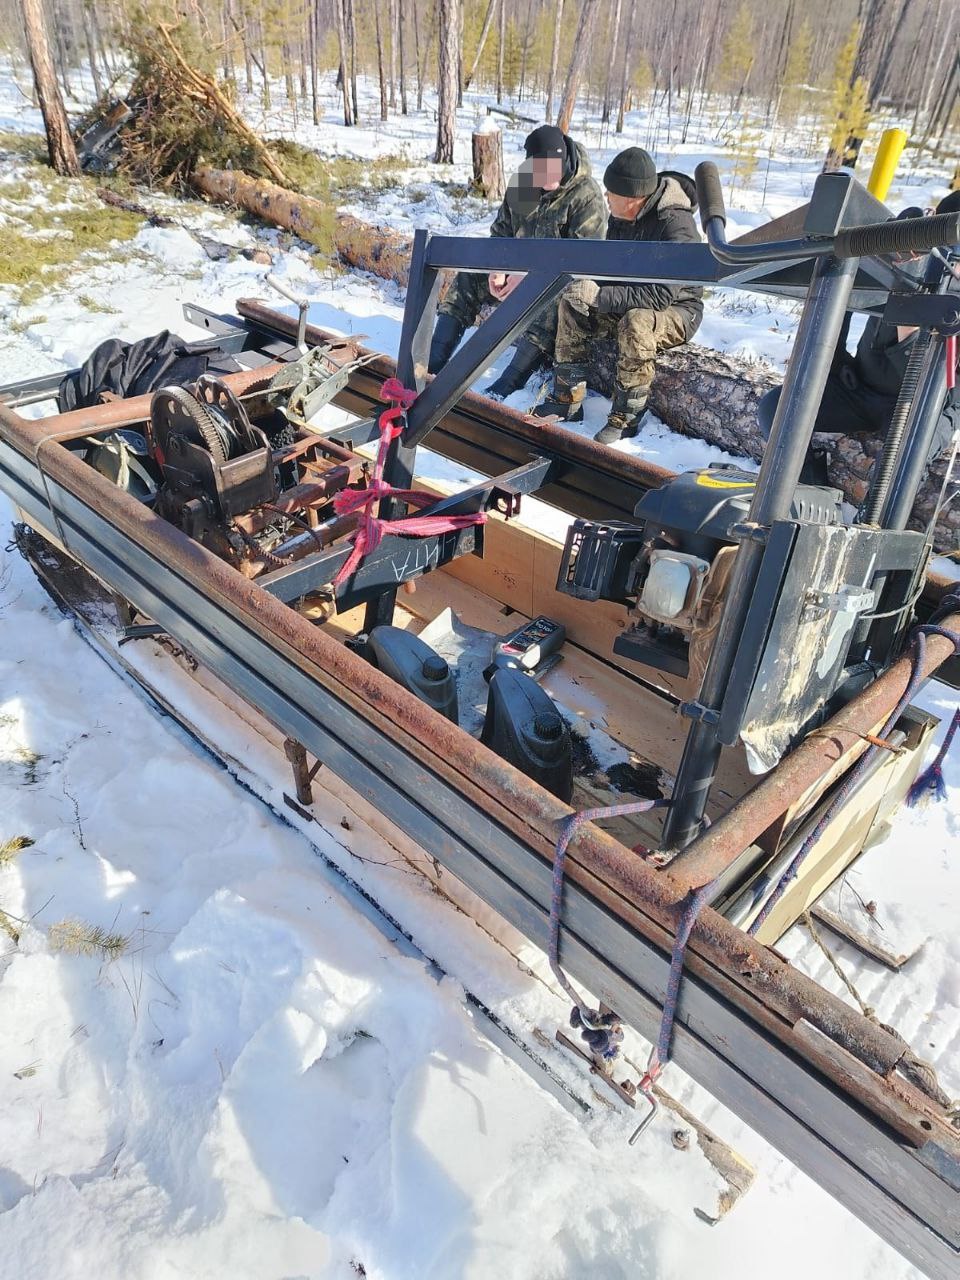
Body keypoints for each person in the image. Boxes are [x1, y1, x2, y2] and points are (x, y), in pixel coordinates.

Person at [759, 190, 960, 485]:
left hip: (927, 408)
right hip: (861, 389)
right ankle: (810, 491)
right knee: (776, 407)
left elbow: (937, 390)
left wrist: (912, 322)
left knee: (904, 459)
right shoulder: (915, 270)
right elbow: (845, 305)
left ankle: (872, 525)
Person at [535, 147, 703, 445]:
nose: (606, 195)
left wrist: (600, 297)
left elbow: (662, 295)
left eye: (611, 191)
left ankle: (626, 416)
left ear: (633, 198)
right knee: (574, 302)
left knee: (636, 321)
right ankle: (567, 398)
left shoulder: (677, 226)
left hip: (678, 309)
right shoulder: (621, 216)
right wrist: (587, 287)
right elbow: (612, 267)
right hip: (632, 297)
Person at [427, 124, 606, 395]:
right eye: (539, 172)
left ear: (564, 162)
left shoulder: (585, 194)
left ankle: (510, 381)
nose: (545, 180)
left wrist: (530, 278)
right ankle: (434, 359)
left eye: (551, 172)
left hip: (560, 280)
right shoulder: (524, 184)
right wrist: (498, 268)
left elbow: (585, 261)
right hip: (517, 272)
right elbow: (501, 234)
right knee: (468, 276)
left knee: (557, 295)